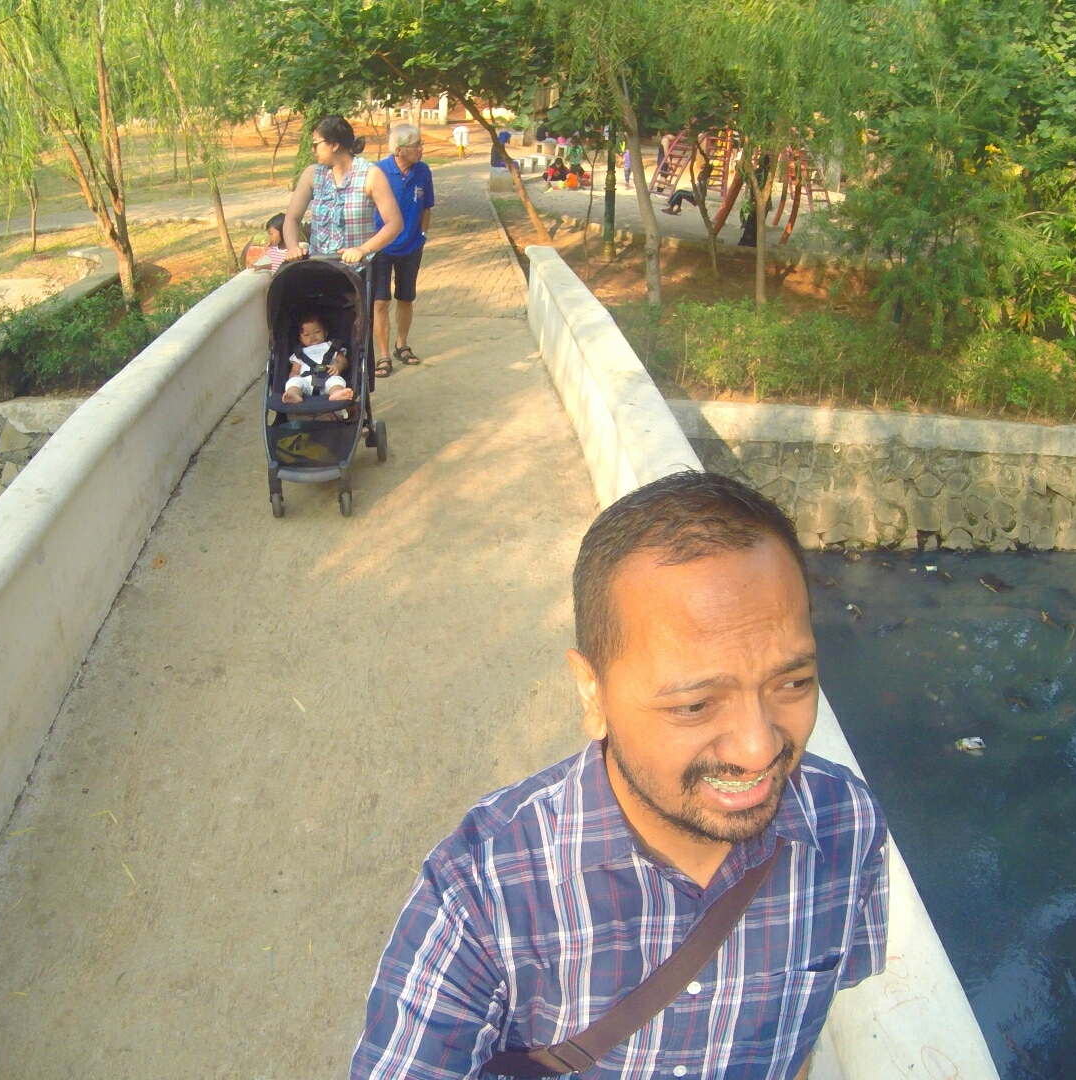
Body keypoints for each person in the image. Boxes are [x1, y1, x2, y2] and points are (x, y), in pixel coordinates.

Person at [350, 471, 889, 1080]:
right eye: (695, 704)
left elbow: (799, 1042)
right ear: (593, 692)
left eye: (792, 683)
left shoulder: (848, 828)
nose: (759, 748)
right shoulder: (482, 892)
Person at [282, 116, 406, 375]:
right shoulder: (312, 174)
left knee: (354, 336)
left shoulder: (370, 175)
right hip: (319, 271)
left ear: (334, 144)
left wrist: (363, 250)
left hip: (356, 274)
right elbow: (291, 219)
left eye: (316, 144)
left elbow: (394, 223)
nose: (313, 149)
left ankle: (355, 388)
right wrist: (293, 246)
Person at [373, 123, 433, 369]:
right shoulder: (378, 171)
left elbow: (426, 207)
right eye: (416, 145)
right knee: (380, 302)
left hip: (411, 246)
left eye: (420, 144)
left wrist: (422, 235)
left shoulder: (423, 171)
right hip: (381, 247)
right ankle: (383, 355)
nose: (421, 149)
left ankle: (401, 345)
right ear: (399, 150)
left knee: (405, 298)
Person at [280, 313, 354, 405]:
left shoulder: (331, 346)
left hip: (328, 379)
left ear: (325, 333)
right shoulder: (300, 352)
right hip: (306, 382)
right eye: (306, 334)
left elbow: (344, 362)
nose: (312, 336)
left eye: (317, 332)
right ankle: (293, 395)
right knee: (293, 382)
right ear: (301, 338)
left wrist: (338, 367)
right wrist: (294, 375)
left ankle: (336, 393)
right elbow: (295, 370)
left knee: (337, 380)